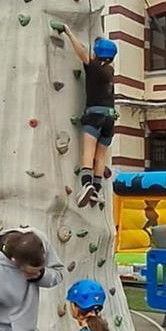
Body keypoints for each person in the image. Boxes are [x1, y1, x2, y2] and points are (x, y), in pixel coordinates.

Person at [56, 24, 116, 206]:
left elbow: (80, 50)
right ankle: (97, 190)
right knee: (101, 155)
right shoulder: (109, 71)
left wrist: (68, 31)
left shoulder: (94, 67)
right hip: (110, 118)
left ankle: (86, 184)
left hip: (94, 114)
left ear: (97, 54)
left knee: (88, 151)